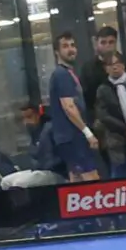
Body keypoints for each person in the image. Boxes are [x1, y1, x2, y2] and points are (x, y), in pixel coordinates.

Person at [47, 32, 100, 182]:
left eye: (72, 45)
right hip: (73, 137)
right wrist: (88, 133)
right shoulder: (62, 75)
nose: (70, 49)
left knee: (77, 181)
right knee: (92, 179)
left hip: (68, 138)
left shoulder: (67, 73)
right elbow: (69, 107)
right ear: (57, 52)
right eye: (65, 46)